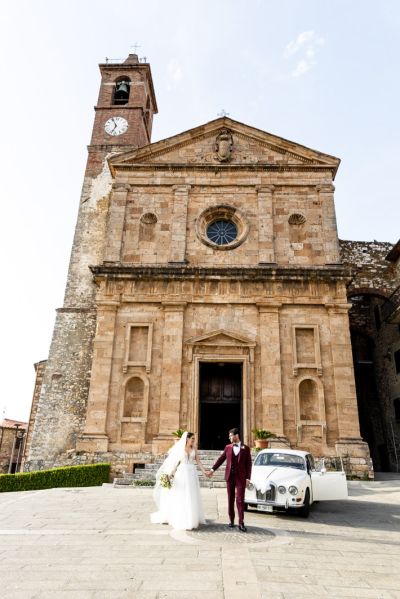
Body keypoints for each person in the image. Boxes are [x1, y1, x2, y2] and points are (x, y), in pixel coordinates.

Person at [150, 431, 207, 530]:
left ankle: (191, 517)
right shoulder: (180, 449)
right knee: (182, 494)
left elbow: (198, 461)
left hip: (192, 473)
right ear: (187, 439)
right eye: (192, 439)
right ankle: (182, 518)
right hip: (182, 473)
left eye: (194, 439)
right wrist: (170, 474)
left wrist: (204, 471)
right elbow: (175, 464)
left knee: (192, 495)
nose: (194, 440)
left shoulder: (194, 449)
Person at [208, 427, 252, 532]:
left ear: (236, 436)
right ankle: (231, 520)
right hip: (230, 477)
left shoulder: (246, 448)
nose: (229, 437)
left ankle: (241, 523)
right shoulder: (227, 447)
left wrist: (248, 478)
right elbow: (221, 459)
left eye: (230, 435)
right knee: (230, 499)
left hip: (241, 478)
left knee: (240, 500)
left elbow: (248, 464)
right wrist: (212, 469)